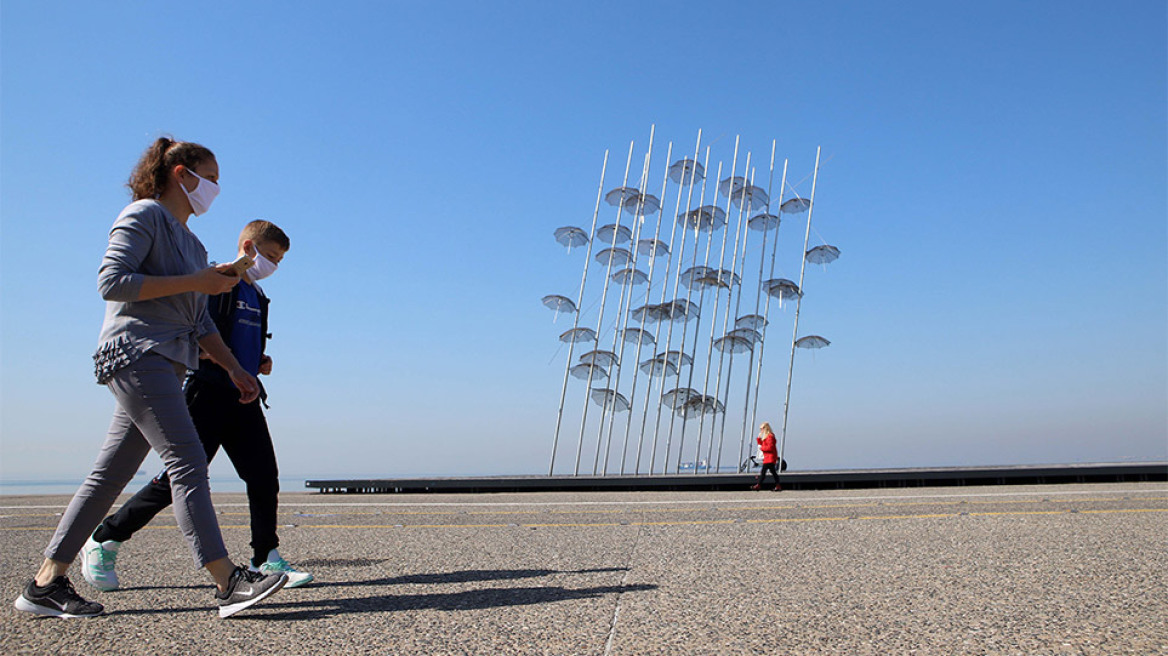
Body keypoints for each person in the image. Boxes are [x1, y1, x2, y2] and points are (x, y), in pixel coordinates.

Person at [13, 137, 287, 619]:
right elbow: (111, 282)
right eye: (212, 178)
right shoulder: (142, 215)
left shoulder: (193, 243)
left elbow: (200, 323)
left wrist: (238, 370)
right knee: (187, 462)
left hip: (166, 359)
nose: (216, 189)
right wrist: (197, 282)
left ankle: (44, 584)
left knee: (108, 476)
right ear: (182, 175)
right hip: (137, 352)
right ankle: (227, 581)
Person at [81, 220, 313, 591]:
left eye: (280, 261)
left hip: (244, 396)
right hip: (206, 393)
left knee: (264, 476)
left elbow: (237, 338)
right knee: (178, 479)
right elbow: (194, 333)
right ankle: (105, 538)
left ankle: (265, 557)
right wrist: (225, 363)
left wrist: (257, 361)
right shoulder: (219, 283)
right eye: (271, 256)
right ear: (249, 247)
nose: (274, 266)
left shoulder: (259, 296)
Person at [751, 422, 782, 491]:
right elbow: (763, 444)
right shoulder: (767, 437)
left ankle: (758, 485)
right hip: (768, 457)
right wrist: (759, 439)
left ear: (765, 428)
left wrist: (762, 448)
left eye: (761, 429)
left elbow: (769, 448)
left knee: (764, 472)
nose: (761, 431)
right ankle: (777, 486)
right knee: (773, 472)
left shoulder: (770, 437)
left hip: (770, 457)